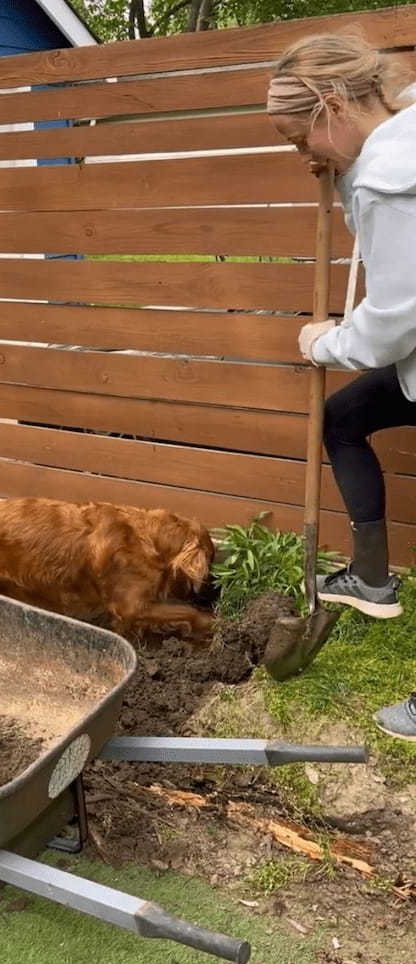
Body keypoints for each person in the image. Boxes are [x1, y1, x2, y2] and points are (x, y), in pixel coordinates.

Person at [267, 33, 416, 740]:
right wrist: (336, 168)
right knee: (345, 416)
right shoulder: (396, 139)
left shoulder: (393, 174)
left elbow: (395, 319)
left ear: (332, 103)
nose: (303, 158)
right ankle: (371, 580)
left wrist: (326, 341)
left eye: (300, 139)